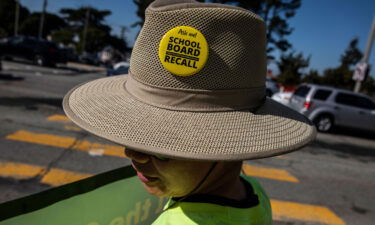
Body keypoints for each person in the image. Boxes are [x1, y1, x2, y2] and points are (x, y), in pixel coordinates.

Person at [63, 0, 316, 224]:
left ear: (224, 143)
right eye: (133, 140)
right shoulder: (254, 192)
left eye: (159, 147)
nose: (131, 154)